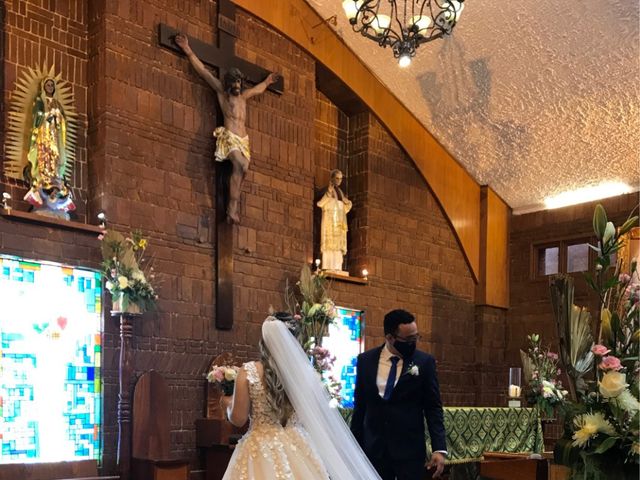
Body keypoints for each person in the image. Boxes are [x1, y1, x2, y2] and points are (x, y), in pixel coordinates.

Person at [222, 312, 382, 480]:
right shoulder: (307, 374)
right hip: (298, 447)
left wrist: (227, 404)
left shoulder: (249, 371)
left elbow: (238, 419)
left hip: (260, 449)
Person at [174, 33, 278, 224]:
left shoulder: (244, 96)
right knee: (239, 164)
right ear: (229, 83)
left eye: (239, 82)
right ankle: (231, 208)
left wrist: (267, 82)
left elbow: (259, 89)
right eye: (234, 83)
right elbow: (204, 72)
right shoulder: (222, 92)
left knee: (243, 169)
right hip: (229, 137)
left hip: (243, 140)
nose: (237, 86)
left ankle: (232, 208)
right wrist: (188, 50)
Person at [351, 309, 447, 479]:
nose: (414, 343)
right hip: (374, 449)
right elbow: (360, 407)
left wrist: (439, 448)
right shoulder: (365, 361)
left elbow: (433, 408)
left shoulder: (424, 363)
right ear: (390, 338)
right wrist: (353, 446)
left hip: (409, 450)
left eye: (416, 337)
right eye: (408, 339)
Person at [23, 76, 75, 218]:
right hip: (43, 136)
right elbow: (36, 117)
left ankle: (55, 178)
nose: (50, 86)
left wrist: (57, 118)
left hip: (55, 137)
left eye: (52, 84)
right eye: (48, 84)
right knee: (44, 157)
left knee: (55, 157)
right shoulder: (40, 101)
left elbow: (63, 122)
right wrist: (46, 116)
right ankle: (43, 180)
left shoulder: (58, 104)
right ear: (43, 86)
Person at [317, 169, 352, 272]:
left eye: (341, 179)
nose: (339, 181)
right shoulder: (328, 190)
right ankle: (328, 266)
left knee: (338, 247)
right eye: (337, 178)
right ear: (332, 178)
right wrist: (328, 193)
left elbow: (344, 207)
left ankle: (337, 267)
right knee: (329, 245)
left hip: (339, 224)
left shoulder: (340, 192)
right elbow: (320, 203)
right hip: (330, 222)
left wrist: (347, 202)